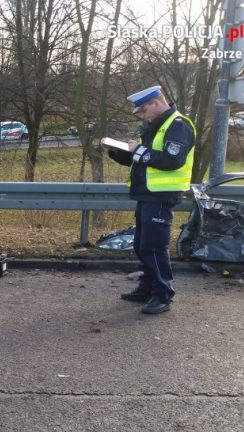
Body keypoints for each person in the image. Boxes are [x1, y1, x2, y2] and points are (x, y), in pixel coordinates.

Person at [105, 85, 196, 314]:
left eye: (144, 110)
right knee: (141, 245)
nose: (143, 115)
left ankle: (163, 294)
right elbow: (145, 160)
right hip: (147, 194)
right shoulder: (155, 126)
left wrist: (138, 152)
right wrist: (119, 152)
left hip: (162, 195)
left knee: (153, 247)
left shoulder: (177, 125)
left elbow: (172, 160)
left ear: (156, 103)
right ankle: (147, 288)